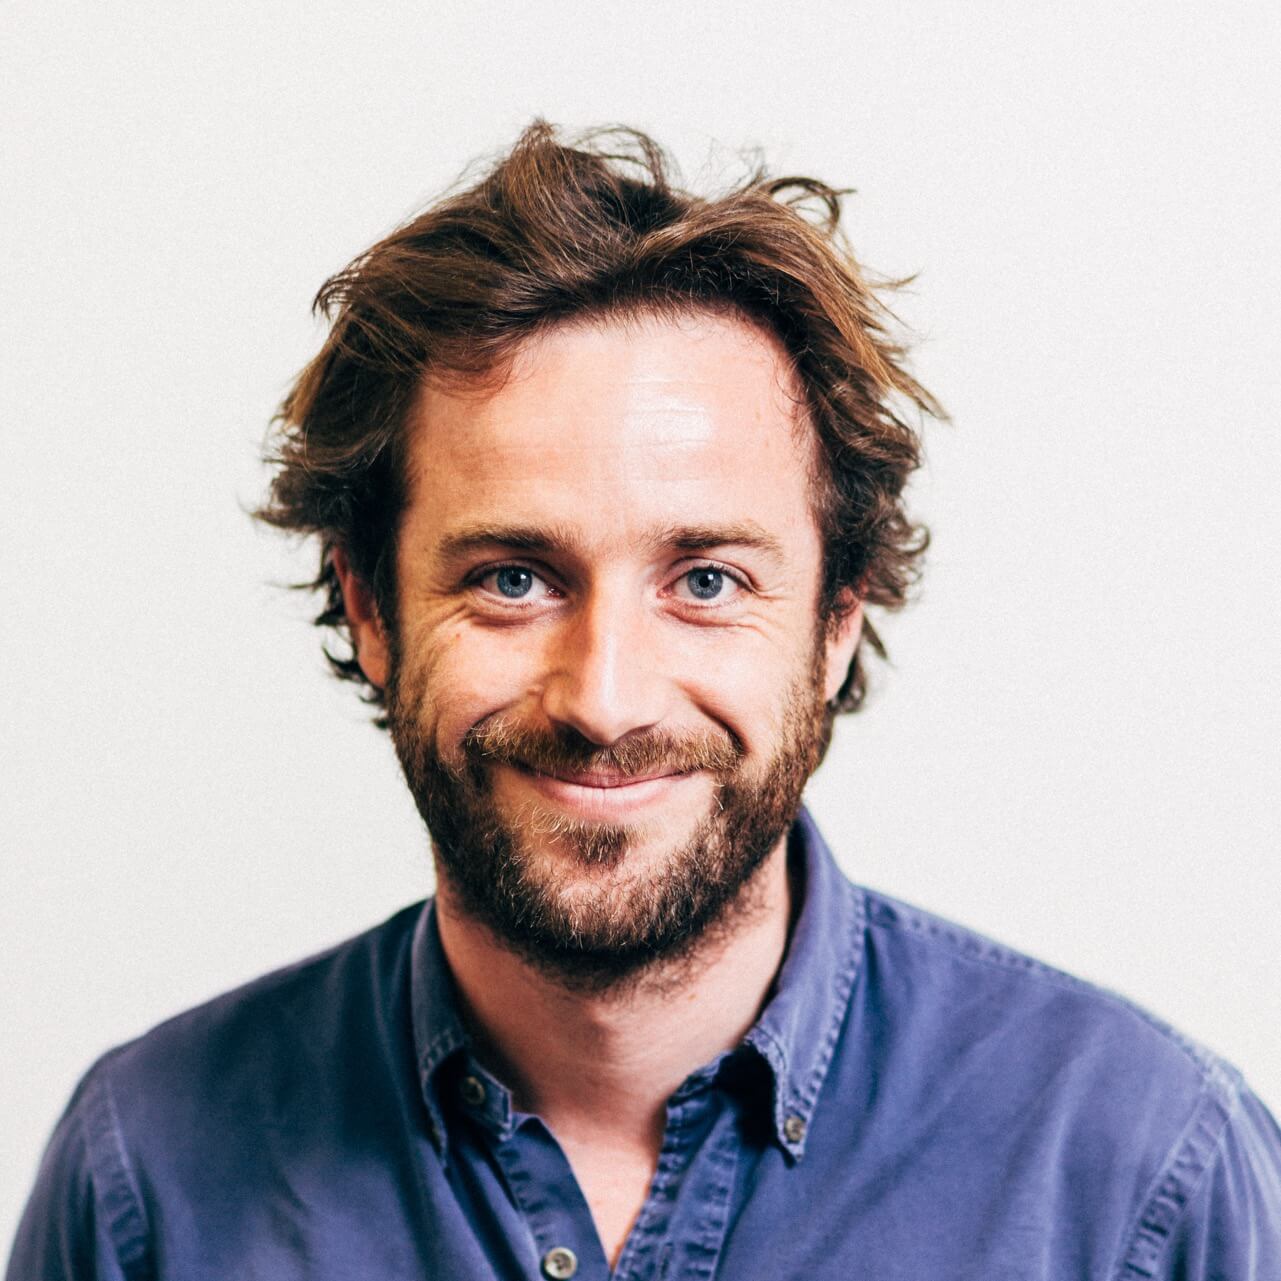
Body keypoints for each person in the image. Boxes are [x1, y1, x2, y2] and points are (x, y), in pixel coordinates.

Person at [9, 121, 1280, 1281]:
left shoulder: (1142, 1180)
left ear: (838, 621)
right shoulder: (150, 1182)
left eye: (708, 580)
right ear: (372, 611)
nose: (605, 698)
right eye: (512, 579)